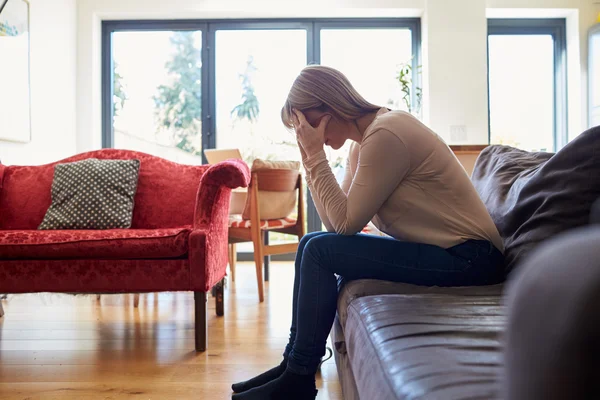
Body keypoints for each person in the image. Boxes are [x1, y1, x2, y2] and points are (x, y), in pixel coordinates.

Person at [231, 65, 505, 400]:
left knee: (317, 250)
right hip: (449, 252)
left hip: (472, 257)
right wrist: (309, 158)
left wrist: (315, 155)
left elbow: (344, 225)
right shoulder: (362, 144)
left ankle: (298, 379)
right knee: (312, 243)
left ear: (325, 111)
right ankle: (294, 365)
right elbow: (336, 225)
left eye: (303, 124)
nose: (302, 133)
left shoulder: (387, 134)